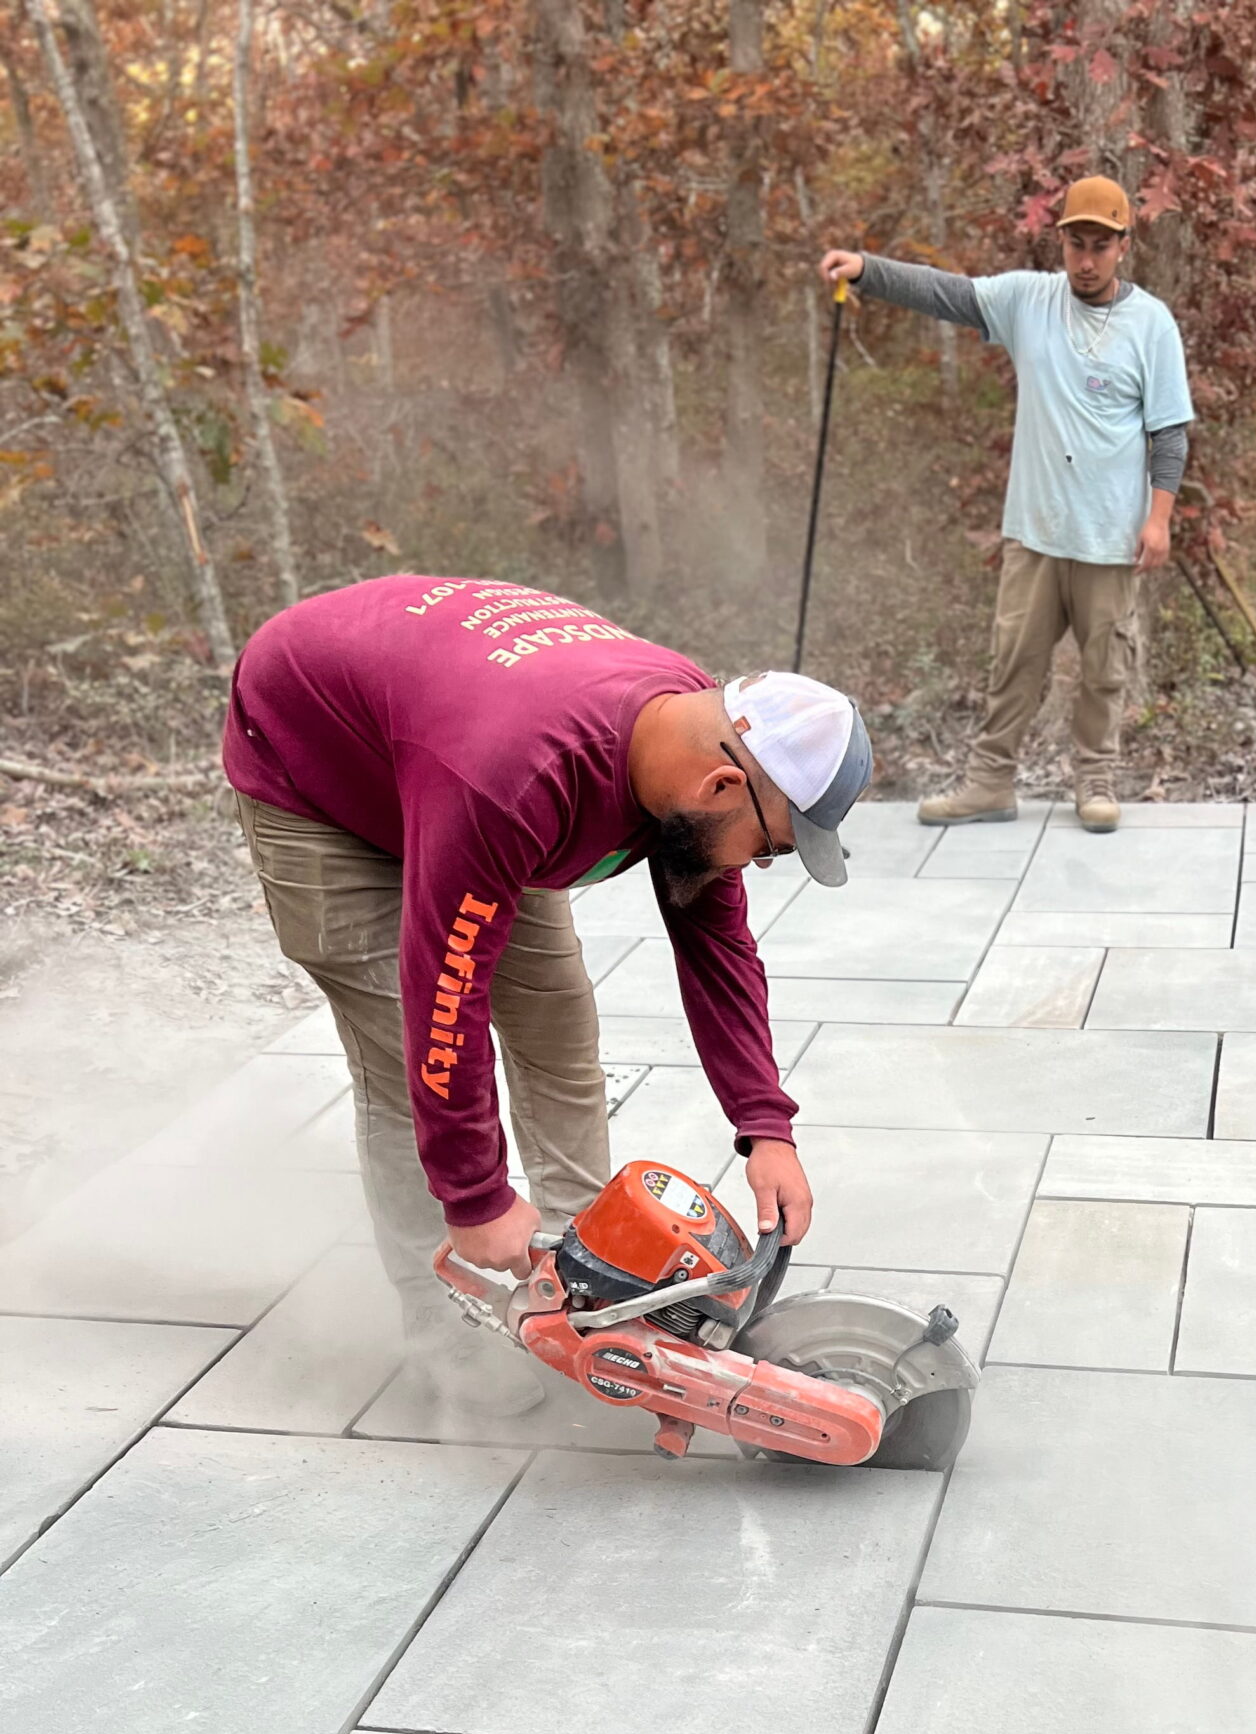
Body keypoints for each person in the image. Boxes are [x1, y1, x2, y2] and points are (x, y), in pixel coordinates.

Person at [222, 575, 869, 1410]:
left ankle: (581, 1293)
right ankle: (440, 1327)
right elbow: (445, 996)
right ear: (719, 786)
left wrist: (764, 1125)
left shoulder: (684, 742)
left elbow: (717, 945)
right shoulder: (519, 780)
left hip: (453, 764)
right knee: (402, 1061)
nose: (761, 864)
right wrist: (476, 1195)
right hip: (318, 765)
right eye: (771, 846)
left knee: (556, 1021)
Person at [819, 175, 1192, 834]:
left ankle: (1096, 782)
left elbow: (1171, 434)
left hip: (1110, 535)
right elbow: (947, 293)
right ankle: (990, 783)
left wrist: (1158, 520)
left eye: (1100, 246)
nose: (1086, 260)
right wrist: (868, 271)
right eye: (1076, 244)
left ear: (1123, 247)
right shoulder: (1029, 300)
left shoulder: (1151, 324)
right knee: (1014, 662)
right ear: (1062, 243)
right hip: (1035, 531)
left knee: (1105, 668)